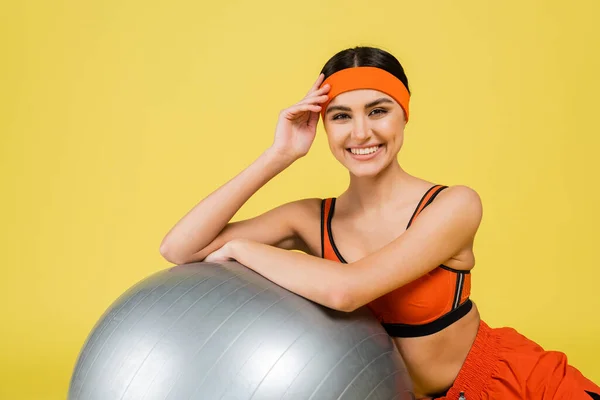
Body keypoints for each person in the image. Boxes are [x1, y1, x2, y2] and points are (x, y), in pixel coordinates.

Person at [159, 46, 599, 399]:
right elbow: (179, 250)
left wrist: (239, 248)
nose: (361, 133)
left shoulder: (453, 206)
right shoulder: (311, 217)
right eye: (341, 116)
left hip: (507, 385)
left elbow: (348, 290)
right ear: (323, 127)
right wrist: (280, 154)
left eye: (378, 110)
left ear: (404, 114)